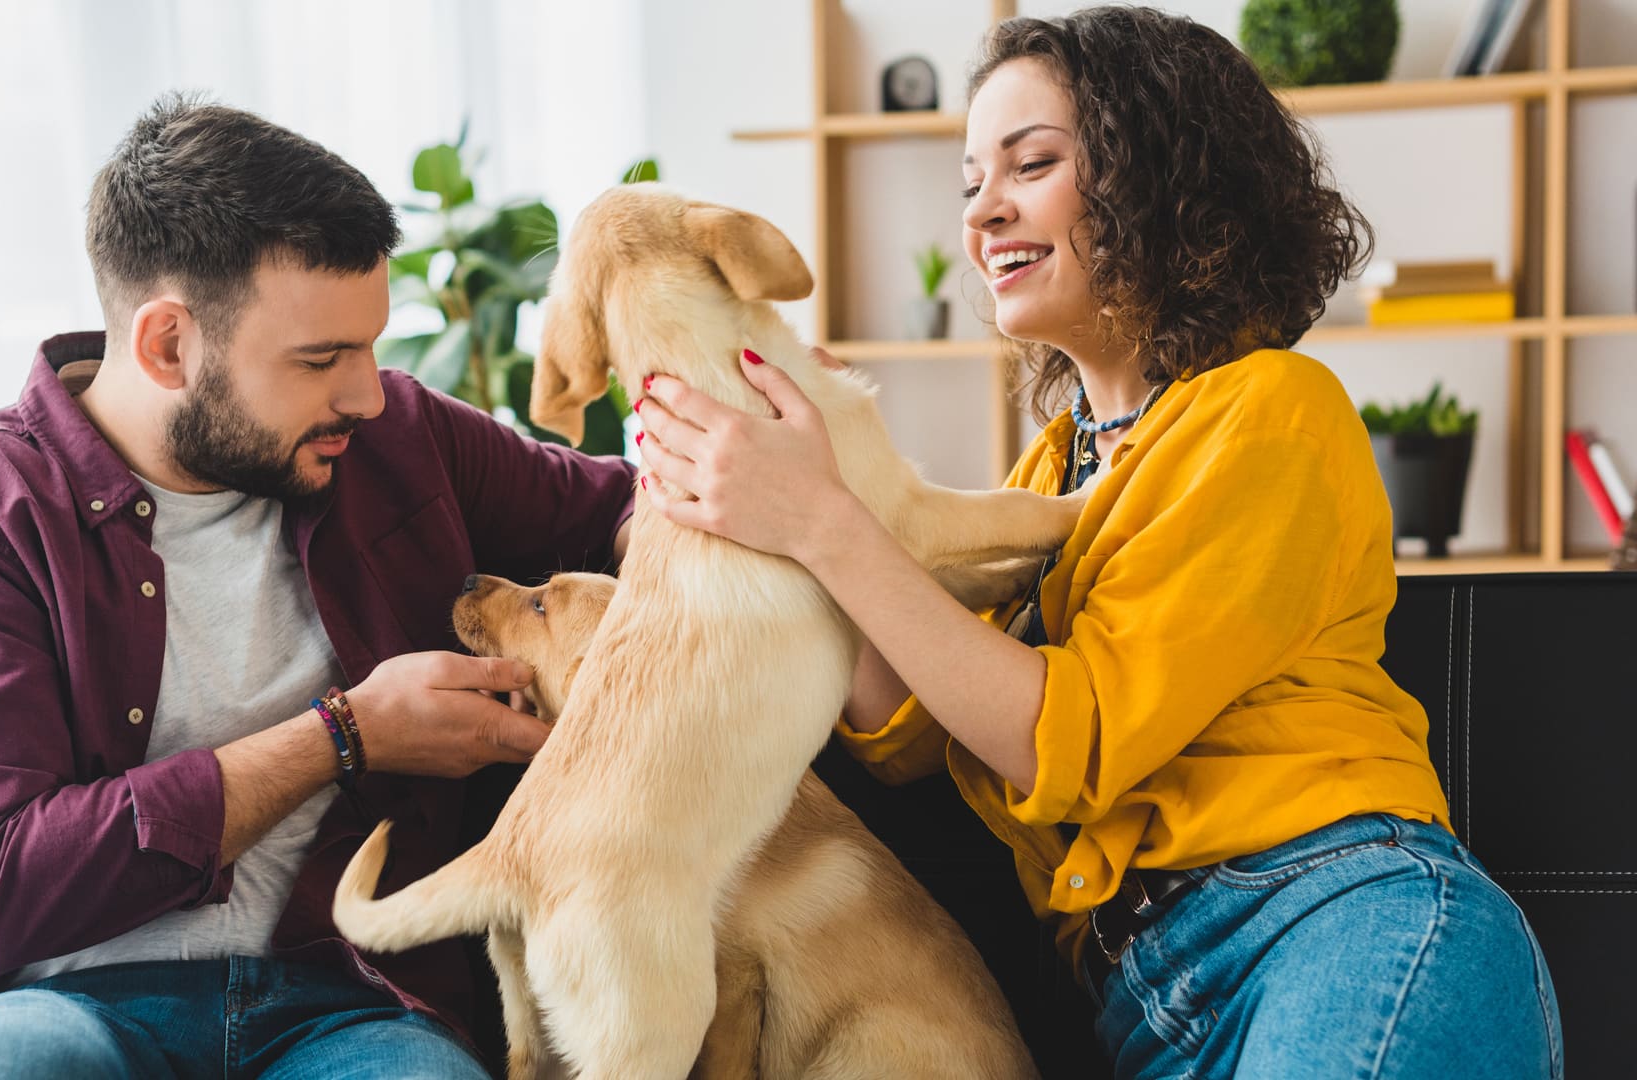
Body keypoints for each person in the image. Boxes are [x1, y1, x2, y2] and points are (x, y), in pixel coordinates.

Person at [634, 7, 1561, 1078]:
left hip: (1334, 920)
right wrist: (817, 490)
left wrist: (826, 522)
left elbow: (1067, 740)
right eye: (972, 181)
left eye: (1031, 163)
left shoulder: (1273, 411)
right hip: (1146, 1004)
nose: (985, 213)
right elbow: (905, 730)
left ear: (1162, 182)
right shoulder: (1056, 469)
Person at [0, 95, 635, 1080]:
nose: (365, 391)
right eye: (321, 360)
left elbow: (627, 514)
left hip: (349, 999)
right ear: (169, 346)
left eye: (370, 346)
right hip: (58, 998)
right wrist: (342, 736)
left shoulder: (399, 435)